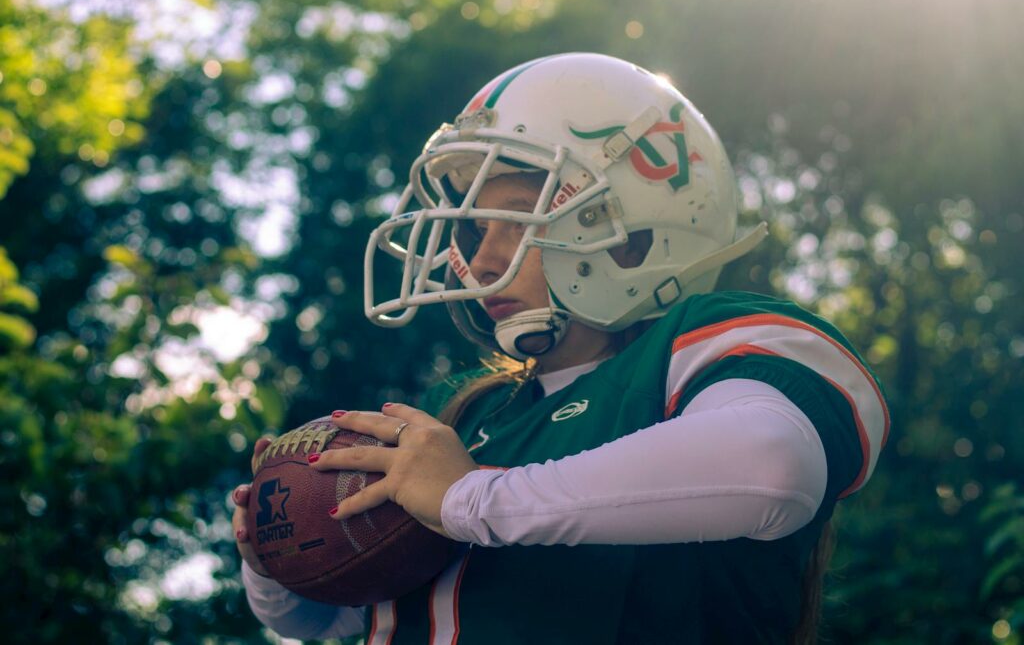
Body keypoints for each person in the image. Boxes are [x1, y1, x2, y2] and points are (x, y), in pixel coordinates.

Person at [232, 53, 889, 644]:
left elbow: (772, 466)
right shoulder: (462, 413)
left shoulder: (695, 345)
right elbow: (319, 618)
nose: (479, 258)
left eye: (517, 221)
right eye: (473, 230)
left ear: (627, 235)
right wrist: (274, 560)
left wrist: (469, 499)